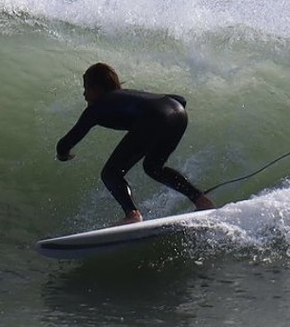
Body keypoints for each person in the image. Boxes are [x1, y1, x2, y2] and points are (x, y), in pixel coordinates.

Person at [56, 62, 216, 224]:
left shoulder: (97, 107)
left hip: (154, 118)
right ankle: (201, 200)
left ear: (97, 87)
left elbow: (65, 143)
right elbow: (180, 100)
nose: (84, 95)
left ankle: (132, 215)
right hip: (178, 114)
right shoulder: (125, 96)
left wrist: (64, 155)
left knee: (110, 173)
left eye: (86, 88)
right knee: (153, 168)